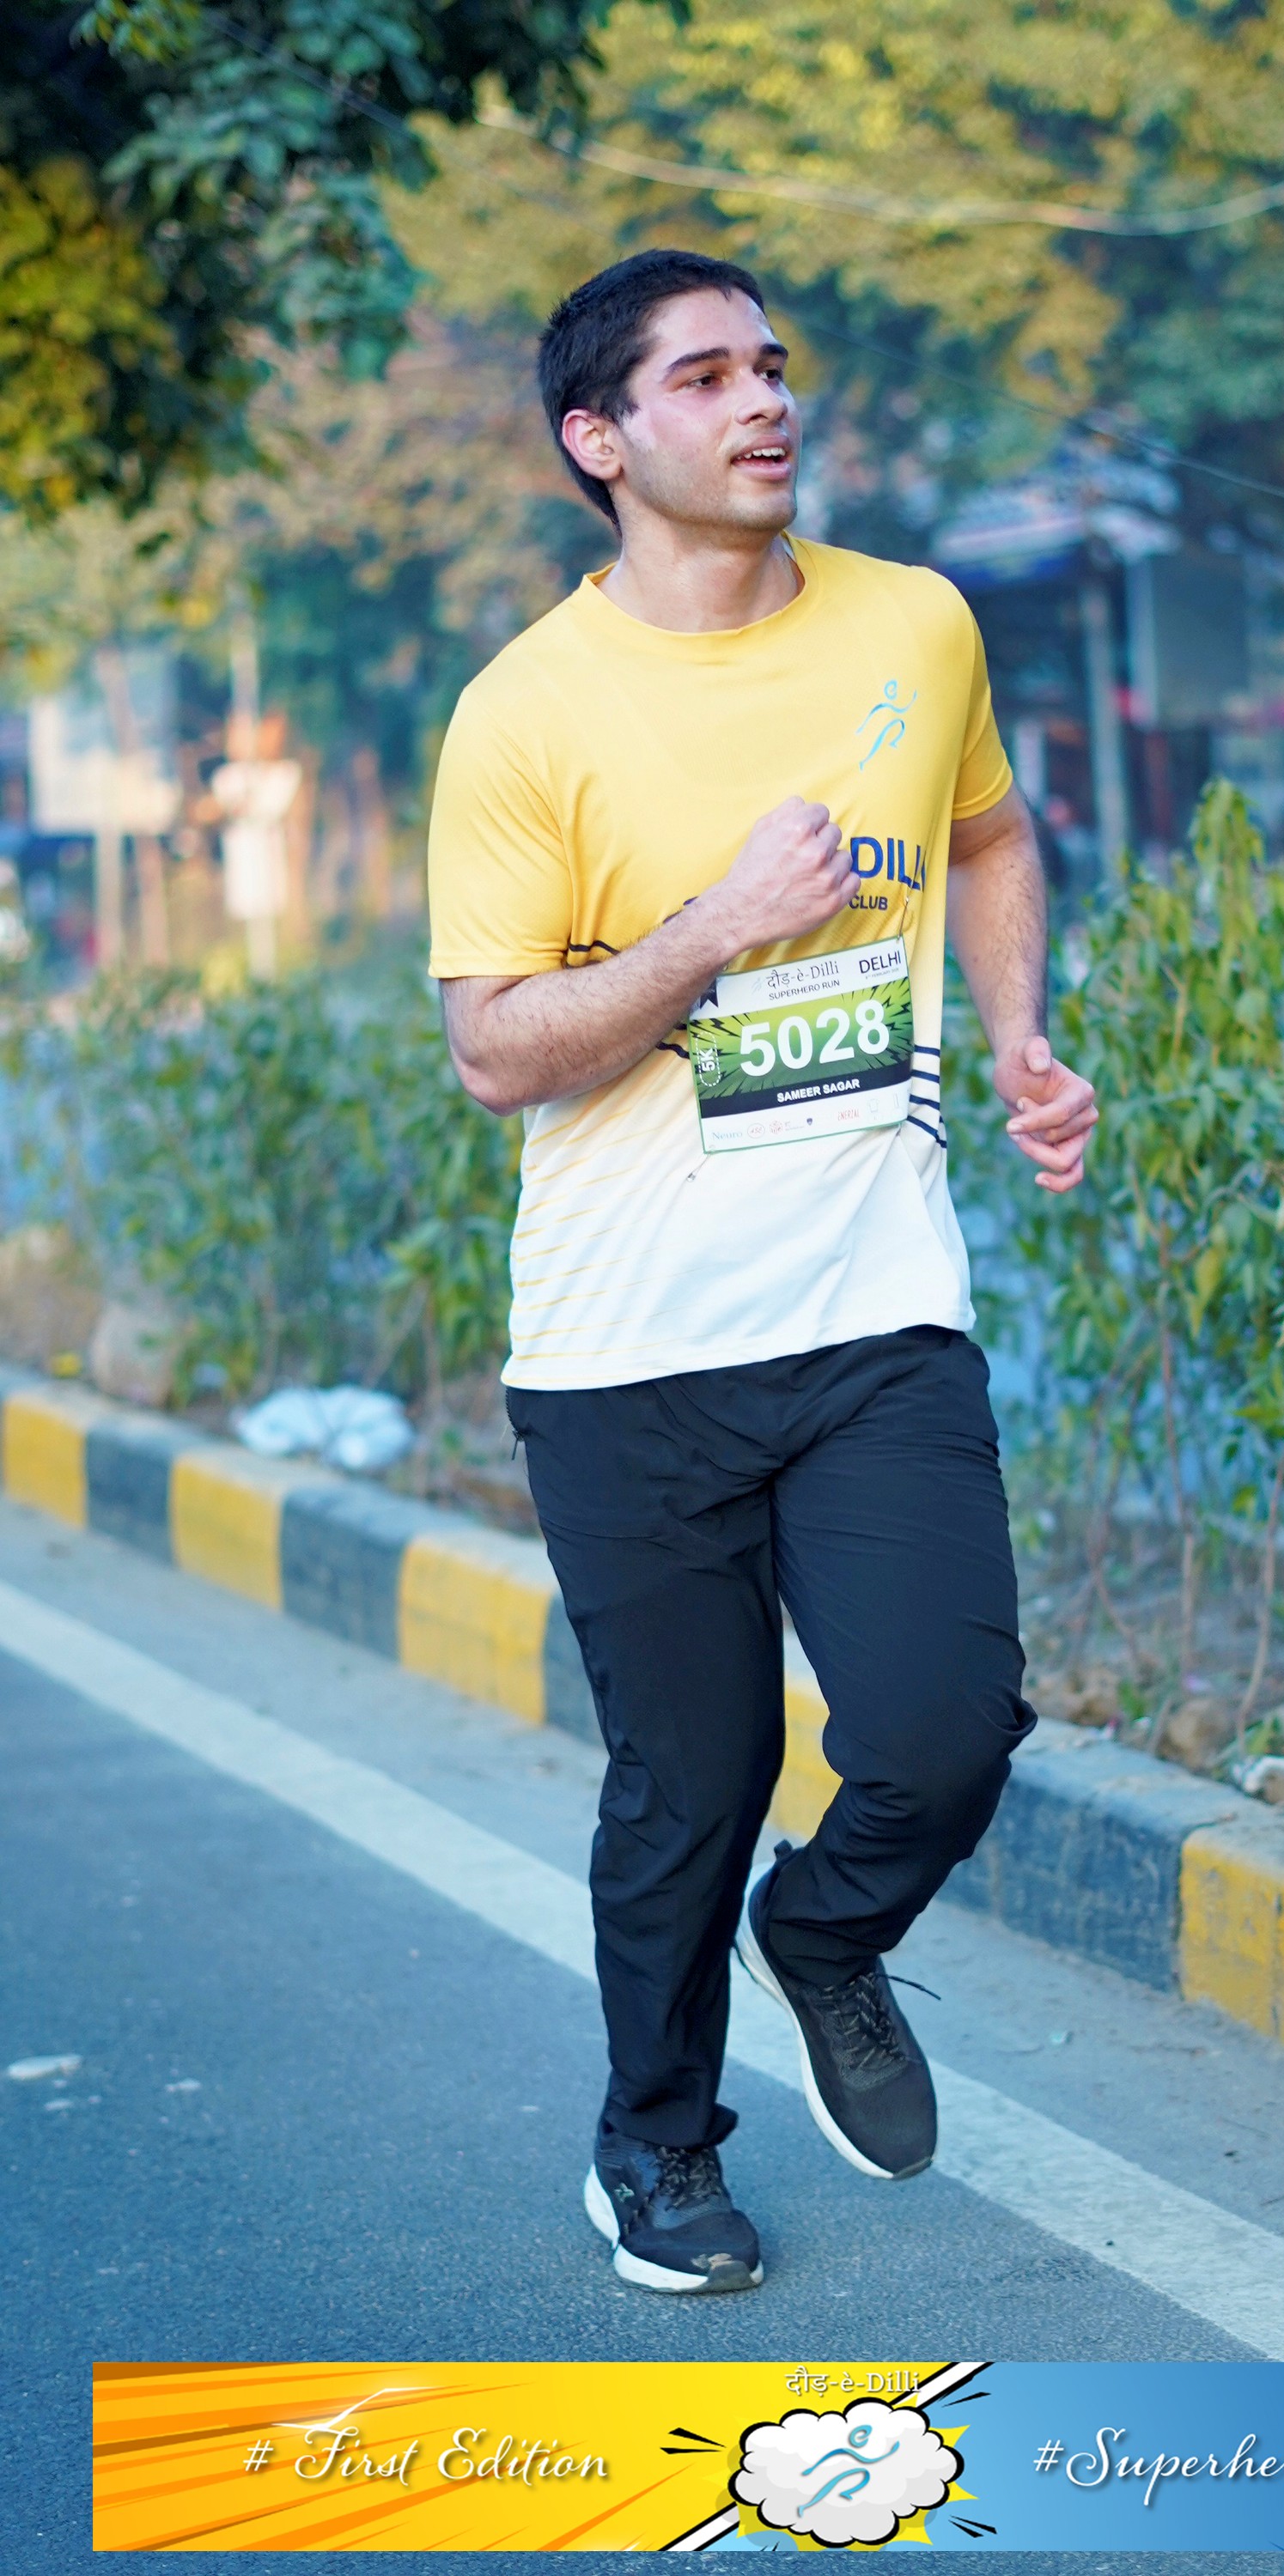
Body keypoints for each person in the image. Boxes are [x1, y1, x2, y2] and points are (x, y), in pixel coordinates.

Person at [428, 247, 1098, 2295]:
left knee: (948, 1727)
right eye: (706, 376)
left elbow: (987, 839)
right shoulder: (528, 711)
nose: (765, 403)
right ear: (600, 439)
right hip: (627, 1348)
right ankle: (656, 2147)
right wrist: (716, 926)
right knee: (690, 1784)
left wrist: (1018, 1038)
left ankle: (826, 1934)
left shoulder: (915, 622)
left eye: (773, 365)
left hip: (874, 1310)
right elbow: (495, 1052)